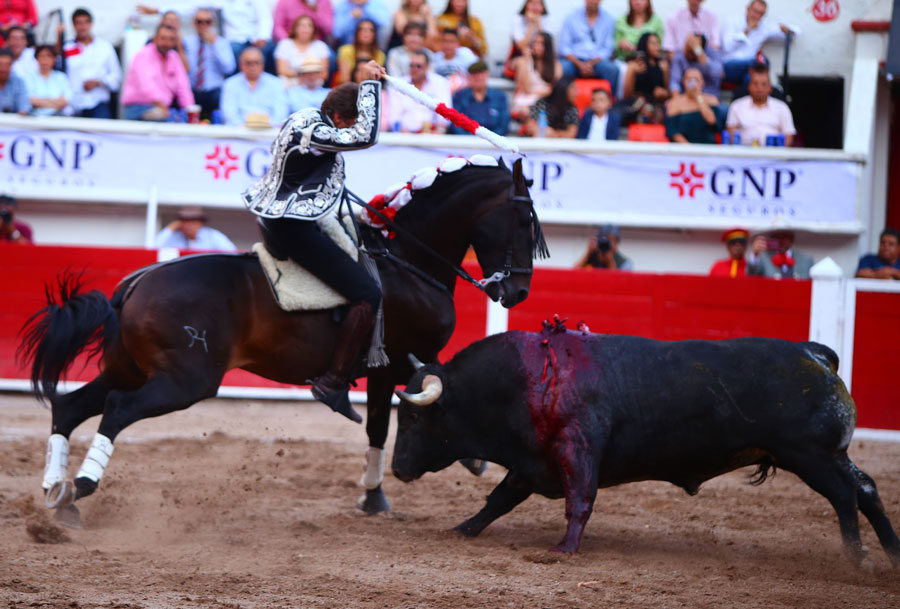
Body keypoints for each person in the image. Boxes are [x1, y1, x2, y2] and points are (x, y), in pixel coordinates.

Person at [242, 60, 386, 420]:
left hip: (283, 219)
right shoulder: (320, 134)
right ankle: (334, 380)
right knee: (369, 292)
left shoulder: (307, 116)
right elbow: (366, 137)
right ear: (339, 118)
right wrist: (371, 85)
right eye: (349, 122)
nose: (350, 129)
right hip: (293, 228)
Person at [122, 24, 195, 121]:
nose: (166, 43)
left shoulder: (174, 57)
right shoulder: (144, 54)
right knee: (167, 120)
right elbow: (147, 86)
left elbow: (183, 87)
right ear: (155, 38)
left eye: (171, 39)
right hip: (138, 108)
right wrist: (163, 107)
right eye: (163, 38)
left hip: (162, 109)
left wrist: (190, 110)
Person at [61, 8, 122, 119]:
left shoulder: (105, 47)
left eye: (86, 22)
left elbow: (116, 78)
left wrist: (98, 82)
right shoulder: (67, 47)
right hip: (73, 105)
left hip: (98, 103)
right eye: (78, 23)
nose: (82, 26)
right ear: (73, 25)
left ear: (91, 24)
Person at [722, 0, 797, 85]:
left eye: (761, 13)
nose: (757, 16)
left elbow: (796, 31)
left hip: (751, 68)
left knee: (752, 79)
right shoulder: (732, 21)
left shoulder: (763, 27)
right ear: (748, 9)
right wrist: (746, 32)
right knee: (762, 61)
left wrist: (786, 29)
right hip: (729, 66)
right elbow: (727, 47)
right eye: (755, 11)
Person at [726, 63, 796, 146]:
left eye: (763, 84)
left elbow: (788, 136)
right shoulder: (736, 106)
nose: (759, 88)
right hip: (743, 155)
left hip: (774, 155)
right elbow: (731, 134)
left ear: (770, 88)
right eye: (755, 84)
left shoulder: (782, 107)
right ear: (749, 87)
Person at [183, 8, 236, 118]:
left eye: (207, 22)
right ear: (194, 23)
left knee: (221, 96)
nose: (203, 25)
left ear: (213, 23)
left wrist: (214, 45)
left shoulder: (222, 43)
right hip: (192, 89)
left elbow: (229, 68)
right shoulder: (187, 42)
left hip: (213, 91)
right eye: (199, 21)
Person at [558, 0, 619, 90]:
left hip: (597, 62)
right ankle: (561, 102)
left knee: (612, 70)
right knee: (561, 68)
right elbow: (564, 47)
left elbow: (607, 49)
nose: (593, 1)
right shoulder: (571, 17)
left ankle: (609, 101)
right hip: (574, 61)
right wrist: (580, 64)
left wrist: (590, 64)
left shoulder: (609, 20)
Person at [220, 46, 289, 127]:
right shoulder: (230, 84)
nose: (252, 67)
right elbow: (229, 114)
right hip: (238, 133)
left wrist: (269, 127)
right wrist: (243, 129)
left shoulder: (276, 83)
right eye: (248, 63)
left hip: (270, 132)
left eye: (256, 62)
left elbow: (281, 112)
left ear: (262, 64)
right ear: (241, 65)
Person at [385, 50, 450, 133]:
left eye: (419, 66)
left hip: (433, 135)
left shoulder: (440, 83)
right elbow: (393, 117)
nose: (414, 69)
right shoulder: (398, 85)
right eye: (411, 65)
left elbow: (445, 114)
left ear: (427, 67)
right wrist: (403, 132)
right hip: (403, 136)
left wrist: (439, 131)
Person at [620, 31, 668, 124]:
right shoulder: (634, 65)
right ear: (644, 45)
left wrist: (663, 93)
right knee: (644, 108)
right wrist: (632, 73)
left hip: (657, 103)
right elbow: (627, 94)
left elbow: (668, 92)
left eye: (658, 43)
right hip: (638, 103)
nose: (657, 46)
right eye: (653, 43)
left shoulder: (663, 65)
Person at [510, 31, 560, 121]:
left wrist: (534, 92)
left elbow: (552, 90)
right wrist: (528, 61)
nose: (537, 46)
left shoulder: (556, 65)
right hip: (527, 98)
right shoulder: (523, 62)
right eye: (535, 42)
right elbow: (524, 87)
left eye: (541, 43)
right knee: (525, 111)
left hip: (547, 100)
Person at [449, 61, 509, 136]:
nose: (478, 77)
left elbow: (503, 125)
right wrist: (469, 140)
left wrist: (491, 139)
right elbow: (455, 122)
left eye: (481, 73)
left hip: (493, 143)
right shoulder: (460, 96)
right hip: (465, 143)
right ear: (469, 77)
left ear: (487, 75)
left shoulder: (499, 97)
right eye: (474, 74)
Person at [665, 67, 722, 144]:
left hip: (707, 147)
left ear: (703, 82)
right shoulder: (675, 103)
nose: (692, 83)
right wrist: (690, 149)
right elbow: (673, 131)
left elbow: (712, 121)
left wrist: (698, 97)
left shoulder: (711, 100)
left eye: (696, 80)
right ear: (683, 82)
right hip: (683, 149)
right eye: (689, 80)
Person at [275, 15, 332, 83]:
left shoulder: (320, 46)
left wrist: (307, 78)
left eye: (309, 26)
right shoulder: (285, 44)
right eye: (302, 25)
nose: (306, 28)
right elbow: (282, 70)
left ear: (313, 29)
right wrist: (303, 76)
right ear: (295, 28)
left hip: (314, 85)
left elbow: (324, 74)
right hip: (290, 84)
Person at [155, 206, 237, 251]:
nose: (188, 225)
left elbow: (232, 253)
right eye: (184, 221)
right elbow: (153, 248)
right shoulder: (175, 237)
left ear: (201, 223)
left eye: (193, 221)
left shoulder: (213, 236)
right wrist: (170, 228)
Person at [747, 229, 815, 279]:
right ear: (771, 238)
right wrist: (755, 255)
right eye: (776, 237)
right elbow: (751, 276)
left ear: (792, 238)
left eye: (785, 236)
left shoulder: (806, 260)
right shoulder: (764, 258)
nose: (781, 240)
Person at [24, 45, 71, 116]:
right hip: (36, 118)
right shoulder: (29, 77)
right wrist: (56, 102)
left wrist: (40, 101)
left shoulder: (61, 77)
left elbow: (66, 100)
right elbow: (31, 100)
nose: (45, 59)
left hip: (59, 119)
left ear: (54, 59)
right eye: (42, 56)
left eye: (49, 56)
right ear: (36, 59)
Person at [336, 19, 384, 85]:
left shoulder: (380, 55)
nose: (366, 33)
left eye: (370, 30)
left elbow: (376, 79)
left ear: (374, 34)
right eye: (362, 29)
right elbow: (345, 80)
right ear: (357, 33)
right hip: (349, 89)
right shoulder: (345, 50)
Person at [432, 27, 477, 92]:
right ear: (440, 42)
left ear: (458, 44)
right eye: (445, 41)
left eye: (452, 41)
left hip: (462, 94)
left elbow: (477, 74)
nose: (448, 45)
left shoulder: (466, 55)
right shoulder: (435, 58)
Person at [0, 49, 30, 113]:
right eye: (0, 64)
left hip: (13, 122)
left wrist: (23, 111)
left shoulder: (19, 82)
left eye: (7, 64)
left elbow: (24, 105)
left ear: (12, 65)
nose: (3, 68)